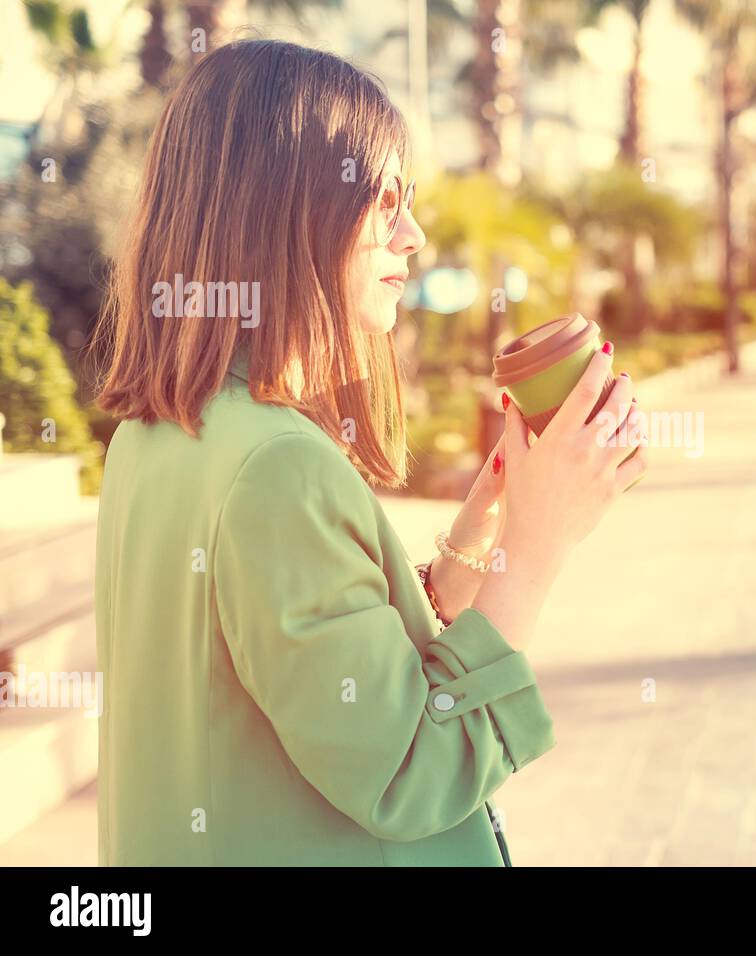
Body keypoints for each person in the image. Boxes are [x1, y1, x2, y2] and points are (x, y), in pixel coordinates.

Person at [90, 40, 650, 866]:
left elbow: (315, 666)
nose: (413, 233)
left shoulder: (158, 437)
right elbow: (408, 769)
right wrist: (535, 552)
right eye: (386, 199)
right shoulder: (276, 467)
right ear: (288, 210)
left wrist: (475, 541)